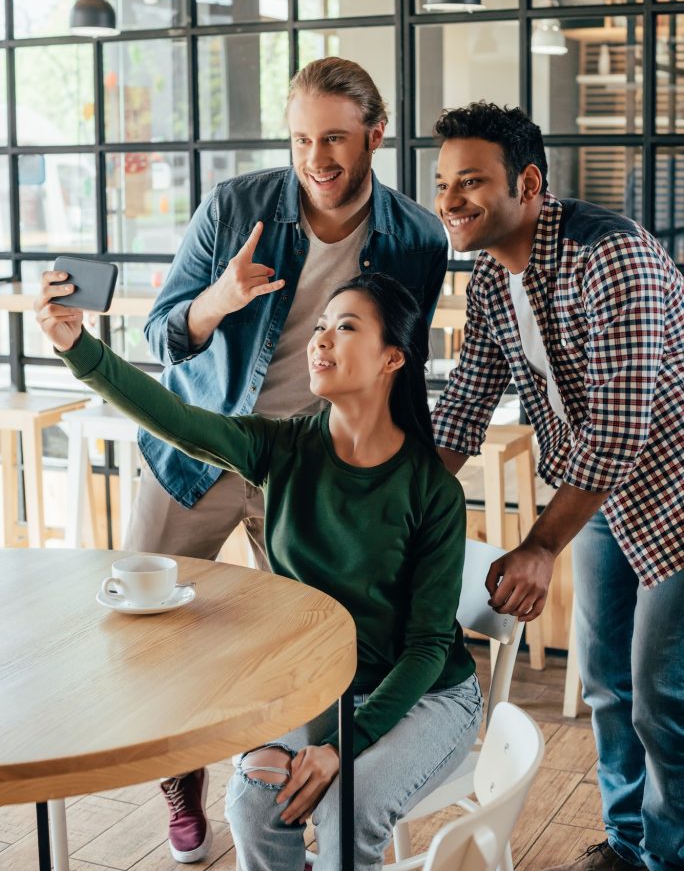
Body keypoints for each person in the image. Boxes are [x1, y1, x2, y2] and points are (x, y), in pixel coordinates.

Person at [35, 270, 483, 871]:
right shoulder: (283, 447)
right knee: (252, 802)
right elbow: (177, 421)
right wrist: (77, 348)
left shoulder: (430, 490)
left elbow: (427, 648)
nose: (319, 340)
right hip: (326, 685)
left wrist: (338, 750)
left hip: (426, 695)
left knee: (344, 808)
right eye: (319, 326)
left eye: (345, 328)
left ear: (392, 359)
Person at [430, 102, 684, 871]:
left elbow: (619, 431)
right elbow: (467, 400)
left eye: (471, 182)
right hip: (598, 498)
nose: (450, 201)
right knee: (606, 681)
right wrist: (398, 506)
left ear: (528, 183)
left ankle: (670, 858)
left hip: (672, 493)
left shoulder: (615, 257)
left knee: (659, 696)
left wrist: (541, 543)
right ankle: (627, 845)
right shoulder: (492, 276)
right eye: (443, 183)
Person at [130, 56, 447, 572]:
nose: (315, 158)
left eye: (334, 138)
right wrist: (219, 300)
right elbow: (158, 338)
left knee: (304, 636)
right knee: (146, 620)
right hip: (199, 449)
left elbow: (399, 369)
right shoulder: (231, 208)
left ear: (375, 136)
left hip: (310, 470)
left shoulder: (418, 240)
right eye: (302, 139)